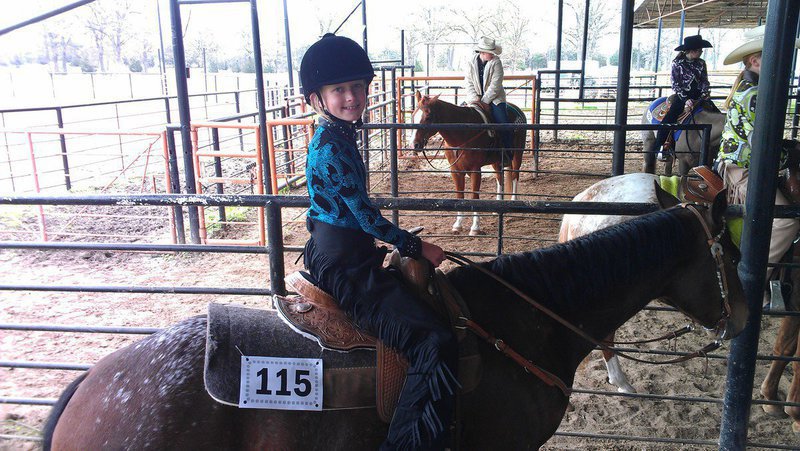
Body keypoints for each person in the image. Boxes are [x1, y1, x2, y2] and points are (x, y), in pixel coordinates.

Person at [299, 33, 458, 450]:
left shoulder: (338, 135)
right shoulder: (331, 148)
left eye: (357, 87)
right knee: (434, 341)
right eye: (339, 89)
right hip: (346, 264)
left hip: (340, 249)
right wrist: (415, 247)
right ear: (317, 98)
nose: (352, 97)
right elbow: (364, 216)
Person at [714, 26, 800, 289]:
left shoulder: (750, 89)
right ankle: (749, 284)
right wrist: (790, 155)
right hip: (743, 170)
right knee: (787, 220)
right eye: (773, 57)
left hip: (740, 165)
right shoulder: (754, 94)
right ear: (755, 61)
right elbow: (762, 145)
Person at [651, 34, 718, 160]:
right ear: (692, 51)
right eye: (700, 50)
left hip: (699, 96)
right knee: (669, 118)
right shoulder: (677, 63)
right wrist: (686, 99)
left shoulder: (701, 63)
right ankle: (660, 148)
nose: (701, 52)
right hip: (682, 96)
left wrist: (704, 93)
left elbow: (704, 80)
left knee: (716, 113)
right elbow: (676, 84)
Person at [463, 36, 513, 149]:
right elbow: (468, 82)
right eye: (490, 52)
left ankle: (507, 152)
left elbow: (495, 85)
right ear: (482, 52)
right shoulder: (470, 62)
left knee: (504, 124)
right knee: (460, 117)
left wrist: (484, 101)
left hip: (494, 98)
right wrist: (475, 99)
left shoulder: (496, 62)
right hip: (474, 98)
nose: (493, 54)